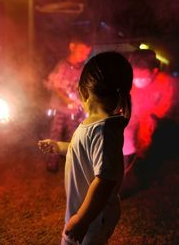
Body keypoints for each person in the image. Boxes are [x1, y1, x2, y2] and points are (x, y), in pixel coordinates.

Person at [39, 51, 133, 244]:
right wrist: (59, 146)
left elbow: (105, 181)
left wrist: (82, 220)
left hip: (93, 218)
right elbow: (80, 150)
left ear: (83, 92)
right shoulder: (94, 125)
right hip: (84, 212)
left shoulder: (103, 131)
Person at [121, 49, 174, 198]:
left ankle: (140, 178)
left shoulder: (165, 82)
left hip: (154, 121)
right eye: (134, 75)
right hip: (134, 119)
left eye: (141, 76)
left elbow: (166, 104)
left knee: (147, 151)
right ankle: (125, 177)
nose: (137, 80)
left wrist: (154, 116)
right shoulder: (129, 81)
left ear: (154, 71)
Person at [43, 37, 92, 171]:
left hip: (74, 111)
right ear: (72, 47)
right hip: (59, 108)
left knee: (74, 136)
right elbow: (53, 85)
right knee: (55, 135)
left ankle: (72, 164)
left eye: (87, 54)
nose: (84, 56)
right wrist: (65, 99)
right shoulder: (62, 65)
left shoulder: (82, 69)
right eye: (81, 52)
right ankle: (52, 163)